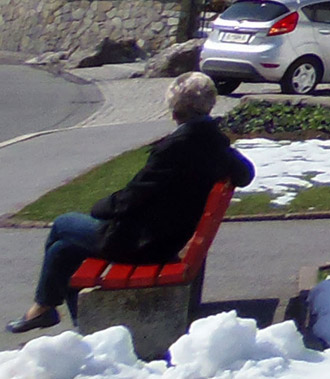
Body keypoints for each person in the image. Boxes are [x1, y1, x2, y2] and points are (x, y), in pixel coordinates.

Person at [9, 73, 253, 333]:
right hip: (166, 237)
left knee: (62, 224)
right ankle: (61, 316)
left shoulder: (176, 148)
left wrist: (100, 208)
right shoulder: (212, 142)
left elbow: (131, 198)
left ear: (175, 110)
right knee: (62, 250)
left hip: (145, 244)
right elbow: (245, 173)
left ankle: (46, 310)